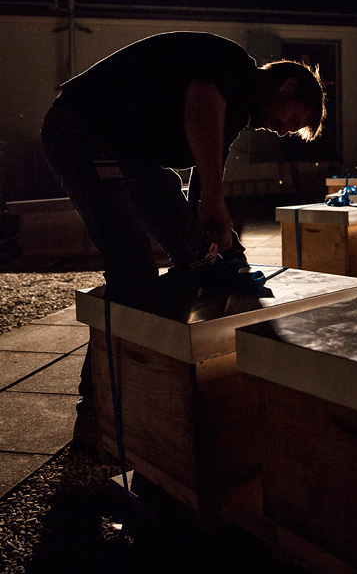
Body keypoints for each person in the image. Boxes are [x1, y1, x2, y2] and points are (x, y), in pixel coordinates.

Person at [41, 30, 326, 452]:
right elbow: (200, 104)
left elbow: (204, 179)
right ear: (288, 85)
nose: (284, 132)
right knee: (132, 267)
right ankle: (99, 410)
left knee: (204, 254)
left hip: (130, 152)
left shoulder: (231, 115)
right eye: (292, 120)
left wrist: (224, 247)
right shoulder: (230, 67)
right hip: (83, 134)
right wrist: (213, 198)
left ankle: (191, 375)